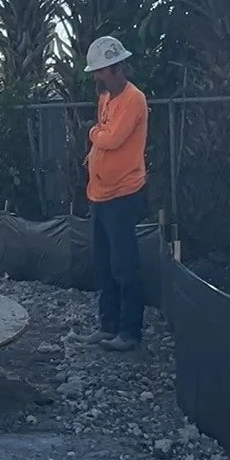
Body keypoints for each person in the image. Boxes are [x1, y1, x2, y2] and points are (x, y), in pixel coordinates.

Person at [84, 34, 149, 352]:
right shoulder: (106, 97)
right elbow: (105, 136)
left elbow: (111, 139)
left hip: (123, 194)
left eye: (101, 71)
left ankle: (130, 332)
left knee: (124, 265)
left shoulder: (133, 99)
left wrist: (93, 132)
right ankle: (108, 325)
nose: (97, 77)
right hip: (100, 193)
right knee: (104, 264)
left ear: (115, 67)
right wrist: (99, 135)